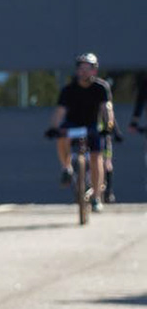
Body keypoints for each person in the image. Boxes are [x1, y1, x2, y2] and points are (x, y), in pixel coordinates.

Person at [45, 52, 116, 209]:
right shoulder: (68, 90)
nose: (83, 72)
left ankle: (96, 197)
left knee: (96, 158)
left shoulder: (101, 87)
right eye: (80, 68)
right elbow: (60, 111)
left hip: (92, 126)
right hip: (73, 124)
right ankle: (66, 167)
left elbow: (106, 109)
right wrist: (53, 128)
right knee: (61, 136)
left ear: (94, 70)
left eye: (87, 68)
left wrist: (108, 126)